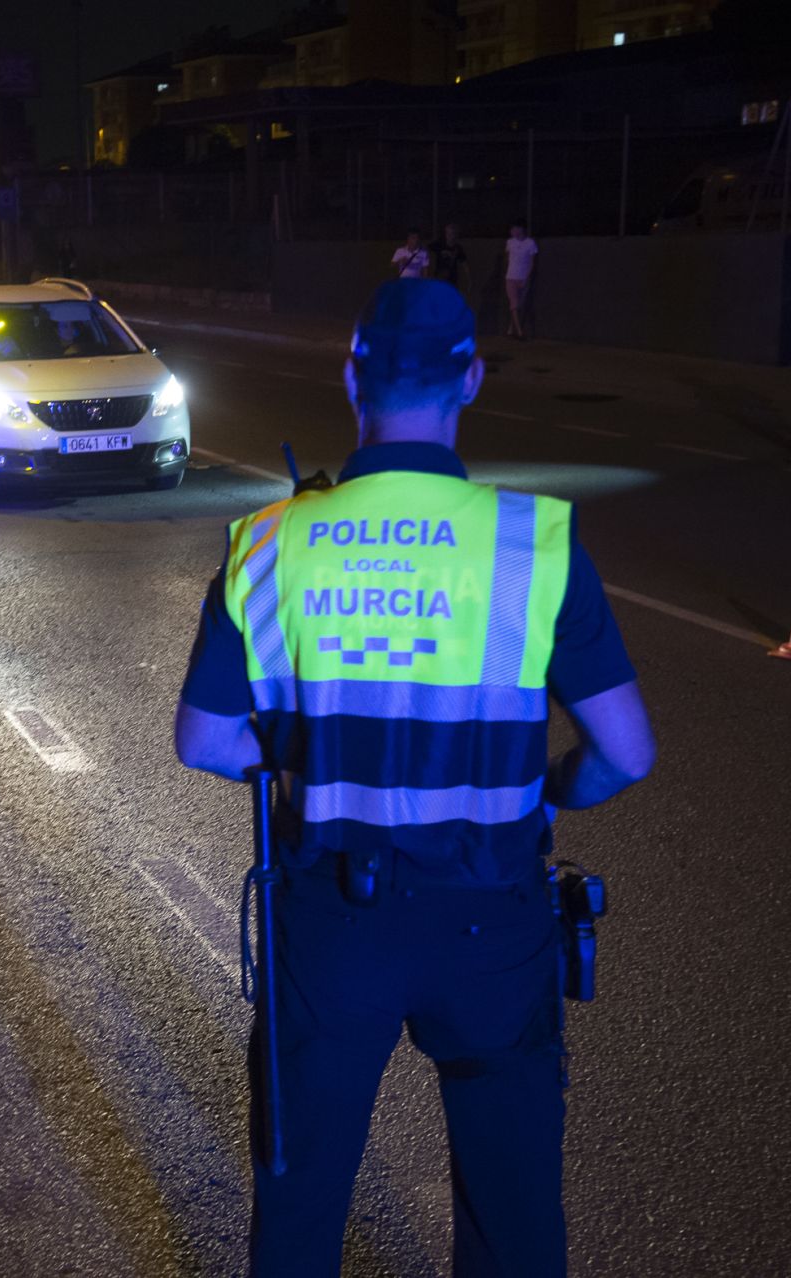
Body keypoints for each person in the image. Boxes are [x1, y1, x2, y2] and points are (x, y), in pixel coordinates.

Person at [175, 278, 656, 1276]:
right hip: (493, 923)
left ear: (354, 377)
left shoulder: (271, 542)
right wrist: (556, 789)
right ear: (470, 378)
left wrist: (301, 754)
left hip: (333, 925)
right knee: (513, 1215)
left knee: (301, 1202)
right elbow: (627, 753)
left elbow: (206, 741)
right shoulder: (532, 542)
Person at [504, 222, 538, 339]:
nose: (511, 231)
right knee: (514, 304)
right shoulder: (510, 242)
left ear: (521, 229)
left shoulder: (530, 243)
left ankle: (510, 328)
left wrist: (526, 278)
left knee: (519, 305)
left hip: (523, 278)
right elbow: (508, 259)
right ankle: (519, 332)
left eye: (514, 229)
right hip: (510, 278)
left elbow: (532, 263)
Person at [428, 223, 469, 292]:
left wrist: (469, 279)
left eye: (451, 234)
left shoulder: (458, 248)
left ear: (455, 235)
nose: (449, 236)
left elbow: (464, 264)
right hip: (440, 278)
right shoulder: (440, 244)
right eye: (447, 233)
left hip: (452, 280)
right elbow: (427, 248)